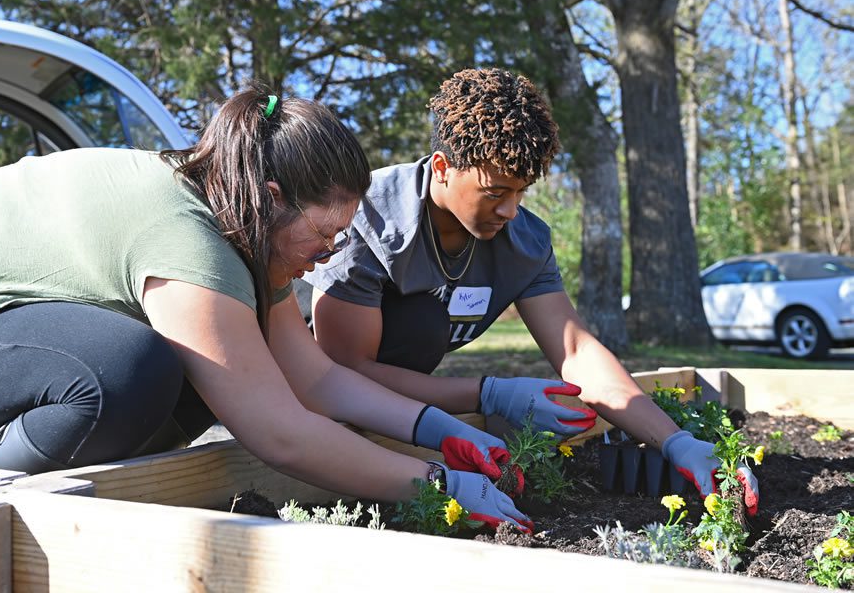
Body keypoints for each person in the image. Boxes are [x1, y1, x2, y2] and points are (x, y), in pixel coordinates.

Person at [0, 83, 532, 531]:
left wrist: (441, 430)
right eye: (327, 232)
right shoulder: (188, 237)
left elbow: (315, 378)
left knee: (205, 375)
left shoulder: (250, 230)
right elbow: (280, 435)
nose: (332, 251)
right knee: (123, 371)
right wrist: (437, 483)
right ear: (276, 197)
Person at [303, 67, 760, 514]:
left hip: (410, 399)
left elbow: (576, 349)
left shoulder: (525, 242)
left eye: (522, 191)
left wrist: (675, 439)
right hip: (308, 388)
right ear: (442, 167)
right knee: (422, 321)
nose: (510, 209)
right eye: (495, 191)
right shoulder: (371, 219)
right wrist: (488, 395)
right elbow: (343, 370)